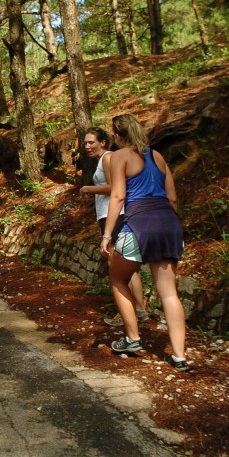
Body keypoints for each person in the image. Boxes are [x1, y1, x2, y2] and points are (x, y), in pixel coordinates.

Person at [101, 114, 189, 371]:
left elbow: (118, 196)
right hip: (168, 224)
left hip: (139, 223)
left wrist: (107, 235)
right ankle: (179, 356)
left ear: (118, 136)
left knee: (118, 278)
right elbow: (172, 197)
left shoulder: (120, 155)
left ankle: (132, 338)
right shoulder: (158, 156)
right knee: (169, 292)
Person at [78, 127, 149, 325]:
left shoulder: (108, 158)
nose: (87, 146)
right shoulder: (104, 160)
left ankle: (128, 312)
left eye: (91, 142)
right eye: (85, 143)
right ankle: (139, 309)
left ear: (103, 142)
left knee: (118, 264)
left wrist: (88, 189)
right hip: (109, 214)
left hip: (115, 214)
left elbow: (115, 187)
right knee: (126, 263)